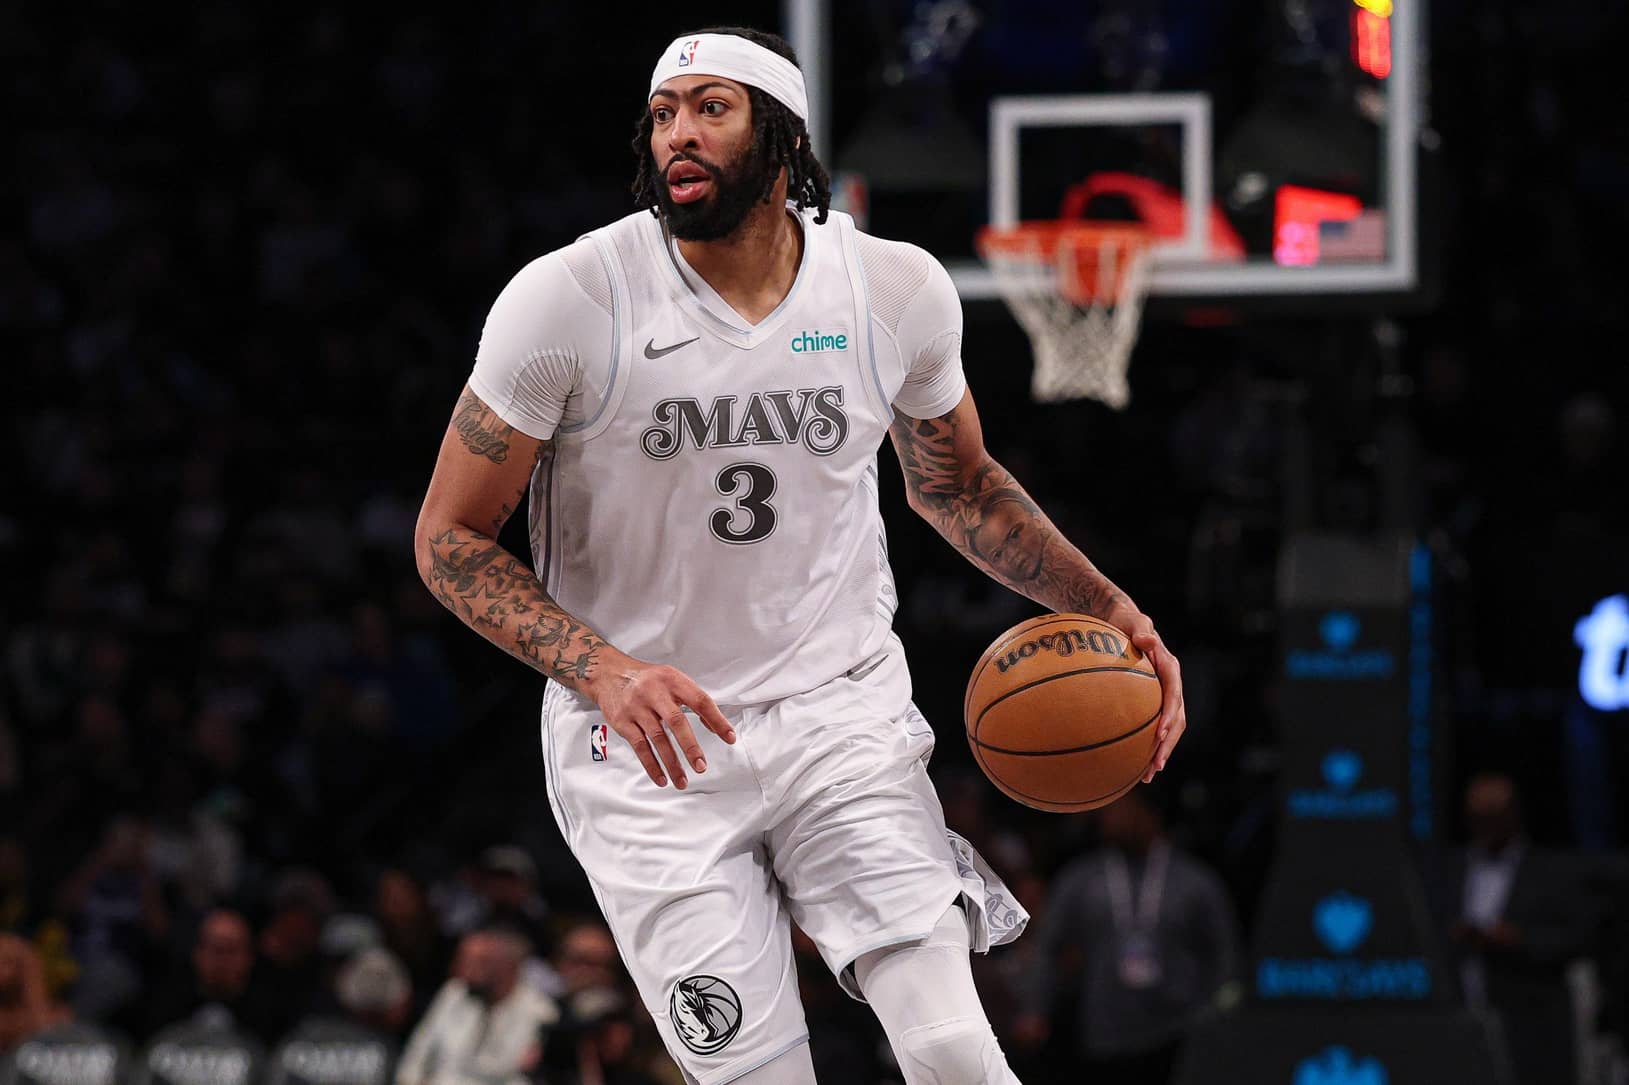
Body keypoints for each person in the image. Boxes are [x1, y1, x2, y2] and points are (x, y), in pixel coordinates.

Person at [413, 25, 1187, 1084]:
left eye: (711, 109)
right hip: (648, 745)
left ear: (782, 136)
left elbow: (958, 485)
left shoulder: (890, 288)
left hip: (839, 711)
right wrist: (604, 669)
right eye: (663, 113)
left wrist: (1112, 607)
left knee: (953, 1046)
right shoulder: (571, 298)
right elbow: (449, 537)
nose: (678, 133)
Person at [1012, 788, 1241, 1085]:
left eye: (1118, 807)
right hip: (1105, 1033)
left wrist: (1213, 1016)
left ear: (1148, 812)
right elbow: (1047, 947)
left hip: (1178, 1032)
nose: (1106, 816)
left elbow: (1225, 954)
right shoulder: (1081, 879)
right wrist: (1035, 1010)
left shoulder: (1195, 881)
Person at [1433, 771, 1596, 1085]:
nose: (1486, 825)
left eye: (1494, 815)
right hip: (1459, 1015)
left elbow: (1578, 937)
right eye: (1478, 816)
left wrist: (1517, 940)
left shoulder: (1550, 871)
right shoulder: (1448, 869)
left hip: (1531, 1023)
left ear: (1513, 814)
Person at [394, 926, 559, 1085]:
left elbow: (512, 1072)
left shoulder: (541, 1012)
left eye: (478, 962)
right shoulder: (454, 993)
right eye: (462, 959)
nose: (460, 969)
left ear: (506, 965)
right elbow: (418, 1050)